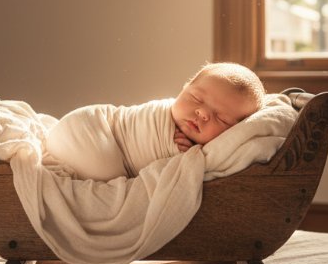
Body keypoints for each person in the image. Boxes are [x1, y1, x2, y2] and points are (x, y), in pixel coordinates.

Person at [43, 62, 265, 181]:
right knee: (104, 173)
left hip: (83, 137)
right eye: (196, 98)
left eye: (221, 118)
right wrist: (169, 147)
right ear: (184, 88)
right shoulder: (160, 113)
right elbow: (140, 134)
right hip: (88, 130)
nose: (203, 113)